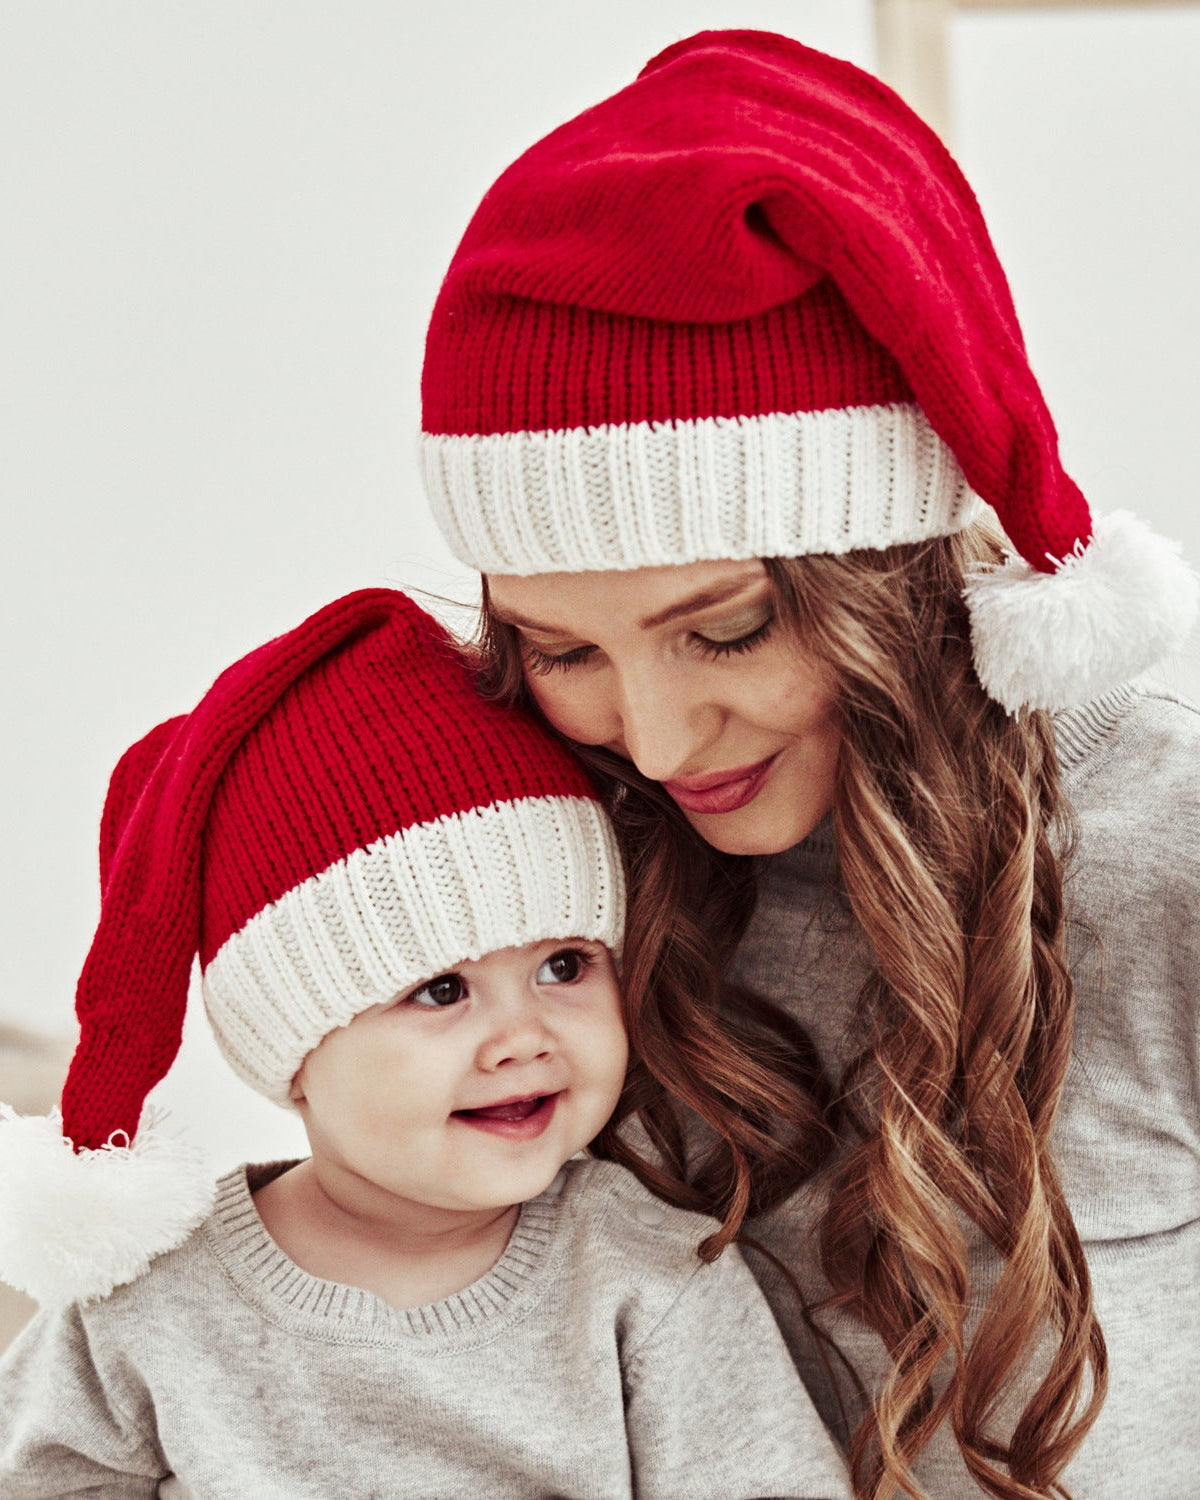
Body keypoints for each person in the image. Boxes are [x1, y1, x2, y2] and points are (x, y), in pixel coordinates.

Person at [416, 29, 1200, 1500]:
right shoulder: (549, 857)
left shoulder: (1168, 848)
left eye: (724, 631)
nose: (650, 743)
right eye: (562, 651)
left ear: (885, 573)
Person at [0, 589, 851, 1500]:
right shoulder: (148, 1303)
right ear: (294, 1051)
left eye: (564, 964)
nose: (523, 1036)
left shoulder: (650, 1282)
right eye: (441, 991)